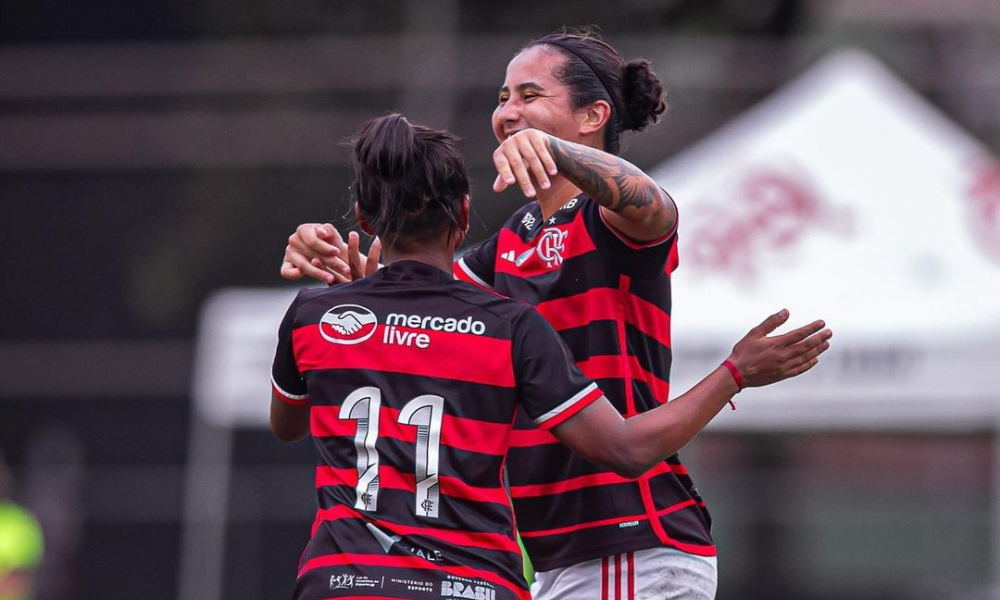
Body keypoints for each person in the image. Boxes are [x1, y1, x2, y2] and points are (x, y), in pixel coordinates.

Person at [279, 30, 832, 600]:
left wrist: (560, 154)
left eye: (528, 96)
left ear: (593, 115)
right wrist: (335, 262)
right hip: (555, 556)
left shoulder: (611, 219)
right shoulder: (517, 237)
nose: (508, 113)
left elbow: (654, 203)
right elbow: (418, 304)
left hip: (628, 546)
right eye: (502, 99)